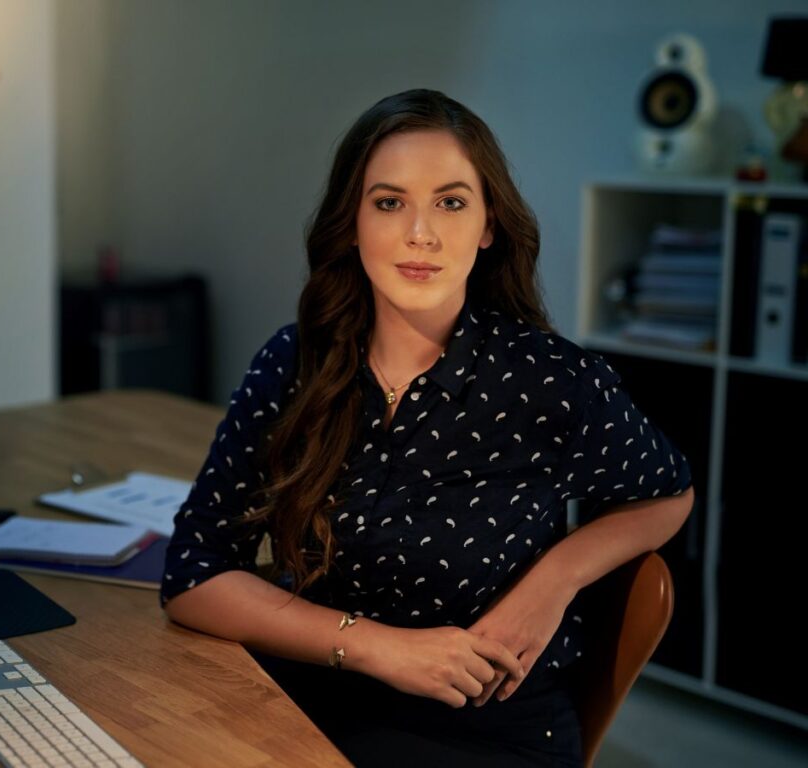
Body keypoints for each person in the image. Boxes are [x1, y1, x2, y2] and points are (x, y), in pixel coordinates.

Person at [160, 88, 695, 767]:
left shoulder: (550, 378)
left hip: (480, 731)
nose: (421, 233)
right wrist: (377, 645)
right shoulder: (293, 363)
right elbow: (194, 575)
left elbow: (668, 492)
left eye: (450, 202)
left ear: (489, 224)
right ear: (352, 224)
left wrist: (553, 582)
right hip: (309, 700)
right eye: (389, 203)